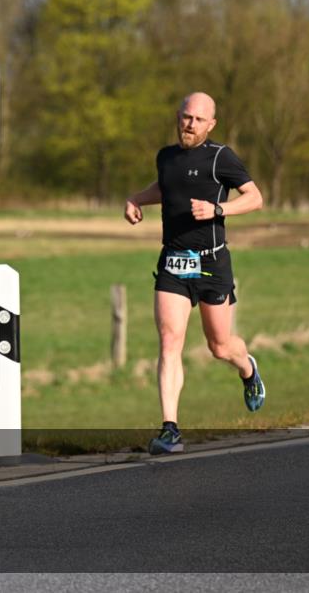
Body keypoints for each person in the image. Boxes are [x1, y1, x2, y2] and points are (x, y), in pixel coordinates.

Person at [124, 92, 265, 455]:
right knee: (170, 341)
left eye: (199, 120)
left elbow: (255, 197)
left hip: (212, 263)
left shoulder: (221, 157)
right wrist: (137, 199)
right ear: (178, 116)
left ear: (210, 124)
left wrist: (218, 209)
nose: (190, 124)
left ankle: (247, 369)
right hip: (173, 262)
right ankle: (170, 429)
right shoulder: (166, 156)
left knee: (219, 346)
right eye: (186, 117)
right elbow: (166, 186)